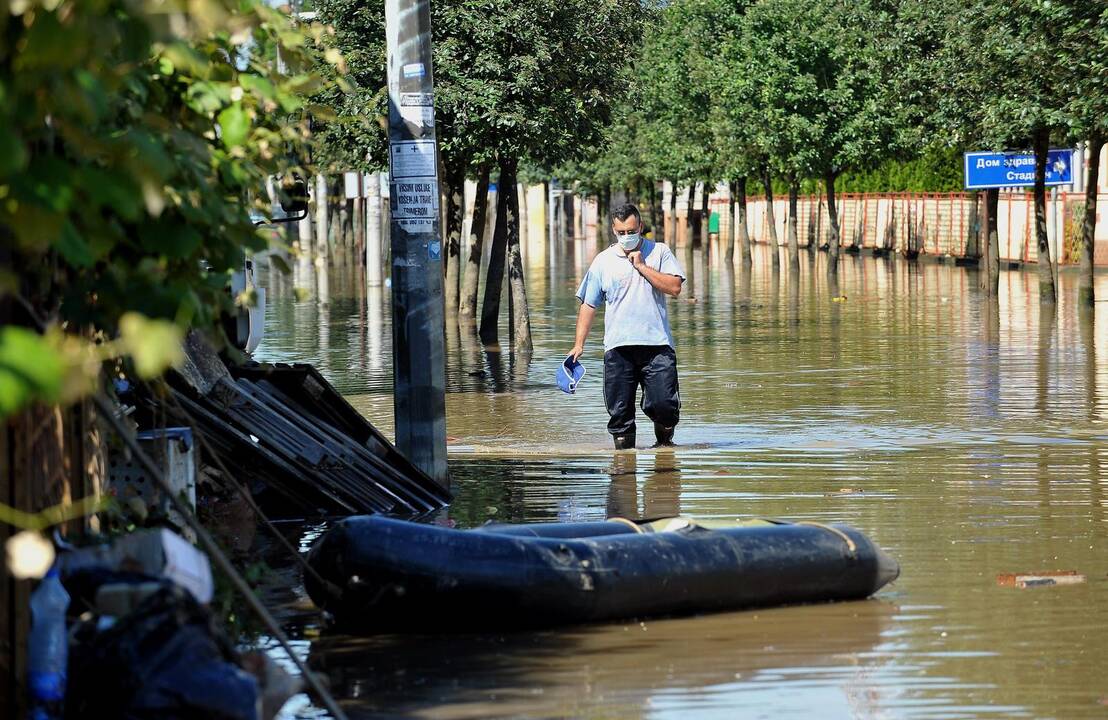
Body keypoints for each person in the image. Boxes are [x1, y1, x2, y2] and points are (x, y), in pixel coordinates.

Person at [568, 203, 686, 449]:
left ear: (640, 227)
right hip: (618, 348)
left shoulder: (659, 252)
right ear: (613, 230)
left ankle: (664, 451)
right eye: (621, 232)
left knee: (664, 405)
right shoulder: (602, 262)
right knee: (620, 414)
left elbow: (675, 287)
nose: (626, 236)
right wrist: (578, 345)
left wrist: (642, 266)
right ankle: (624, 469)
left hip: (657, 346)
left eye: (631, 231)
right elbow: (589, 304)